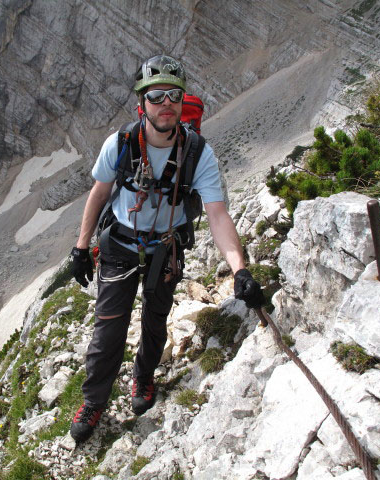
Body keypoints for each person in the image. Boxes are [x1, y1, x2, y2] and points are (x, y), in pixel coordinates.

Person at [69, 55, 264, 442]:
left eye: (173, 95)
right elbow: (100, 193)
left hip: (166, 248)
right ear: (141, 103)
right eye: (156, 96)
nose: (166, 104)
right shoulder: (121, 142)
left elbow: (218, 215)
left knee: (156, 322)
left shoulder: (199, 154)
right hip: (120, 245)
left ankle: (143, 378)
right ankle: (94, 401)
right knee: (108, 331)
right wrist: (80, 247)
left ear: (182, 100)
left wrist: (240, 270)